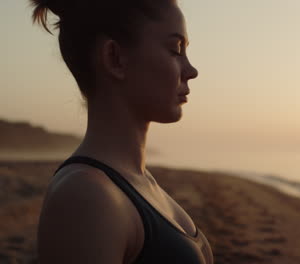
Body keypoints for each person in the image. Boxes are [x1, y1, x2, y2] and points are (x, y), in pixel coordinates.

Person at [30, 0, 213, 263]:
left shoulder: (137, 182)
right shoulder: (86, 196)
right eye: (176, 49)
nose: (191, 71)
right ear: (115, 58)